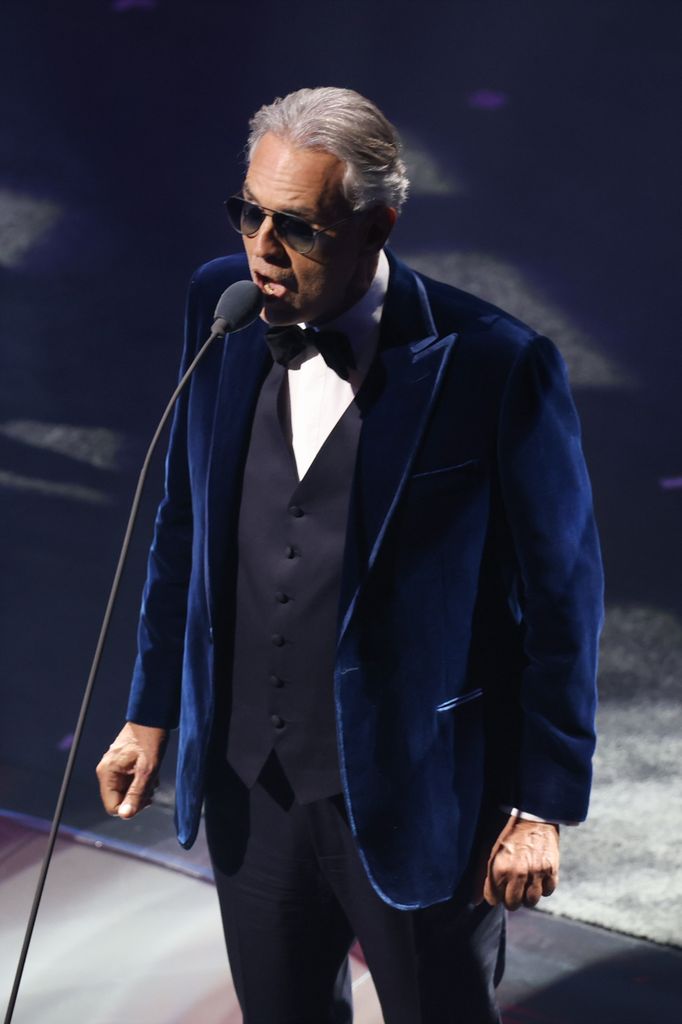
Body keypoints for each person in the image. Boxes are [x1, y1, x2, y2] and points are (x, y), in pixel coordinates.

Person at [96, 87, 603, 1023]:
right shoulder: (222, 306)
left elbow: (562, 602)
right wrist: (149, 712)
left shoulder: (493, 363)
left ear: (379, 225)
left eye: (298, 226)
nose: (263, 247)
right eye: (250, 213)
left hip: (417, 794)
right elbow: (184, 526)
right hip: (251, 785)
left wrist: (541, 806)